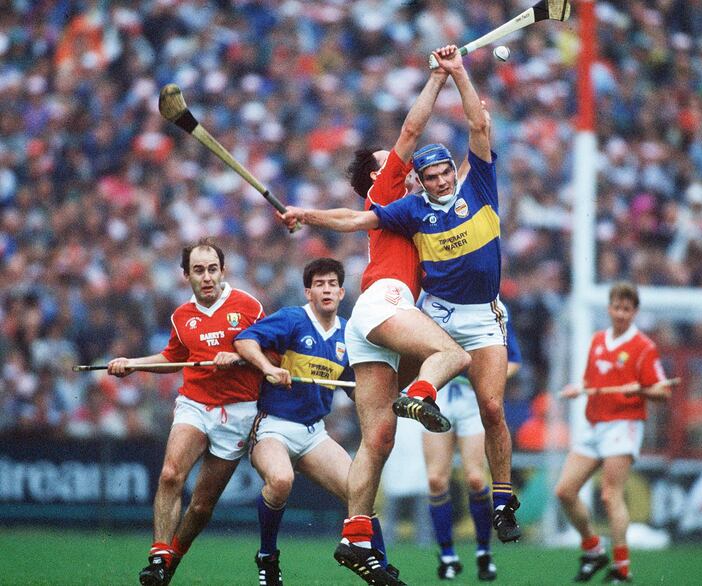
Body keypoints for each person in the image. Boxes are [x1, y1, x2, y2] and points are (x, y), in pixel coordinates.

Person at [280, 44, 522, 544]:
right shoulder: (401, 202)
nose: (412, 167)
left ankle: (360, 533)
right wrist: (309, 214)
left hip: (467, 313)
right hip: (419, 310)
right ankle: (409, 395)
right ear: (383, 174)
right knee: (439, 367)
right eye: (420, 171)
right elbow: (362, 212)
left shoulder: (466, 188)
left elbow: (478, 132)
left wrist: (458, 76)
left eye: (440, 172)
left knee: (476, 412)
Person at [288, 59, 471, 586]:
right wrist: (439, 76)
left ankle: (355, 536)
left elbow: (460, 186)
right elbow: (411, 130)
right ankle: (421, 395)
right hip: (386, 303)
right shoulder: (388, 189)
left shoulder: (413, 207)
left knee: (378, 441)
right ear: (376, 174)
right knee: (452, 354)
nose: (400, 159)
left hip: (370, 321)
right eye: (388, 160)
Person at [107, 238, 265, 586]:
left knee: (202, 506)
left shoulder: (248, 306)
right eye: (198, 270)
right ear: (186, 275)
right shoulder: (181, 317)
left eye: (212, 269)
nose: (206, 277)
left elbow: (270, 354)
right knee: (169, 475)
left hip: (237, 413)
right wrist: (133, 364)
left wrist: (239, 356)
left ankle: (171, 561)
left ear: (223, 271)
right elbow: (172, 358)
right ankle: (158, 556)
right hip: (194, 404)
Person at [232, 258, 397, 585]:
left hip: (314, 434)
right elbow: (244, 341)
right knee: (280, 480)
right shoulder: (292, 319)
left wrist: (385, 398)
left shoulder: (348, 333)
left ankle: (380, 564)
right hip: (274, 427)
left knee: (359, 489)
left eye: (332, 284)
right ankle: (267, 558)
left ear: (341, 292)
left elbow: (354, 387)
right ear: (308, 292)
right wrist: (268, 368)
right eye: (319, 284)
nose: (327, 290)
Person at [555, 282, 671, 584]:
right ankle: (593, 550)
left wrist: (641, 389)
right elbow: (591, 382)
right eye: (617, 307)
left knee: (610, 495)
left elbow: (663, 391)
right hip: (595, 423)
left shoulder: (644, 347)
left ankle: (622, 567)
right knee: (565, 491)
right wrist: (579, 389)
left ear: (634, 312)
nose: (620, 313)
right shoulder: (597, 340)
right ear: (609, 308)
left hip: (623, 424)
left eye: (626, 309)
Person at [424, 316, 522, 582]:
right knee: (435, 480)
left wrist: (484, 375)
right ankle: (447, 556)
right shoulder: (431, 304)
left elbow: (512, 361)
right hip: (439, 396)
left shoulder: (491, 309)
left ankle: (483, 552)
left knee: (476, 478)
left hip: (472, 399)